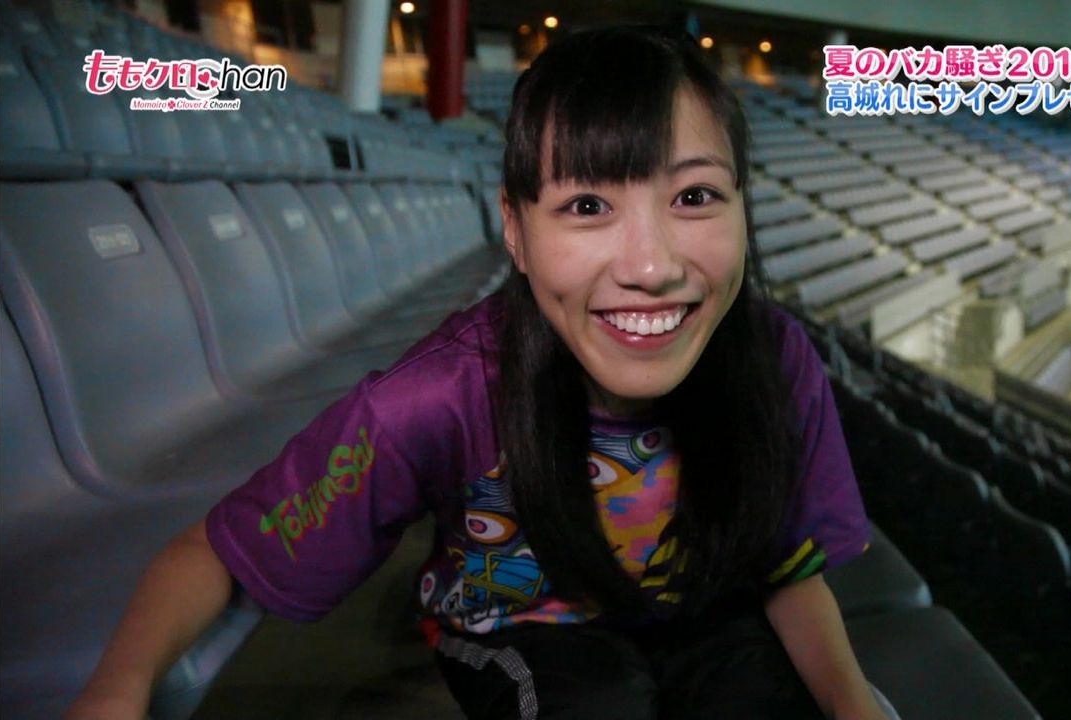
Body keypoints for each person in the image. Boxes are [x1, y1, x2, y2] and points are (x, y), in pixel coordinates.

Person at [67, 25, 895, 720]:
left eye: (696, 198)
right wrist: (117, 689)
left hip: (706, 610)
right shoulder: (438, 395)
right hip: (521, 628)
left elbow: (789, 572)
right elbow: (218, 551)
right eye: (586, 206)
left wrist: (854, 703)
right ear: (515, 231)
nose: (652, 266)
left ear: (746, 208)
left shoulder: (775, 361)